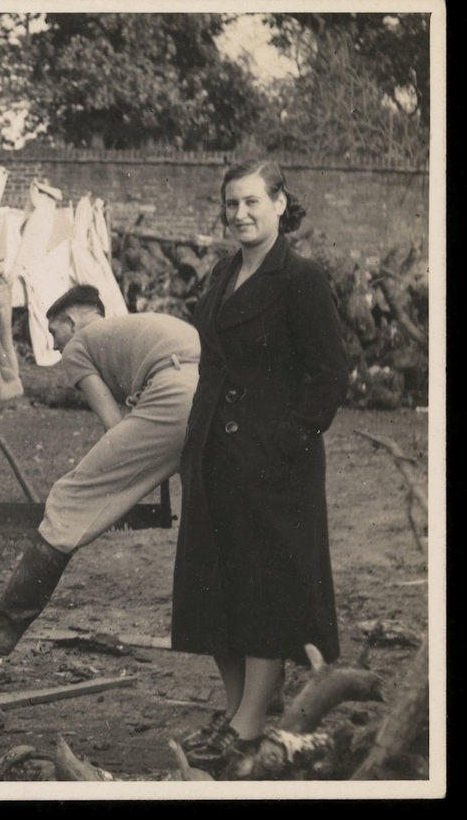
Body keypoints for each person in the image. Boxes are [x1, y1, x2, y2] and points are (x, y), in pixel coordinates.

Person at [172, 160, 348, 771]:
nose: (241, 214)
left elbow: (331, 372)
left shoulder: (299, 277)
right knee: (218, 588)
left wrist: (289, 440)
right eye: (231, 205)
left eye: (252, 202)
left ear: (279, 203)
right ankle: (236, 714)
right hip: (216, 455)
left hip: (274, 463)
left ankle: (248, 728)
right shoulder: (223, 272)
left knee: (266, 588)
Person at [0, 284, 200, 654]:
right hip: (211, 393)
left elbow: (113, 424)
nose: (55, 346)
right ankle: (260, 672)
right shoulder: (128, 331)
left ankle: (4, 622)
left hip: (173, 396)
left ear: (72, 320)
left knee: (70, 496)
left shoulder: (80, 345)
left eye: (54, 333)